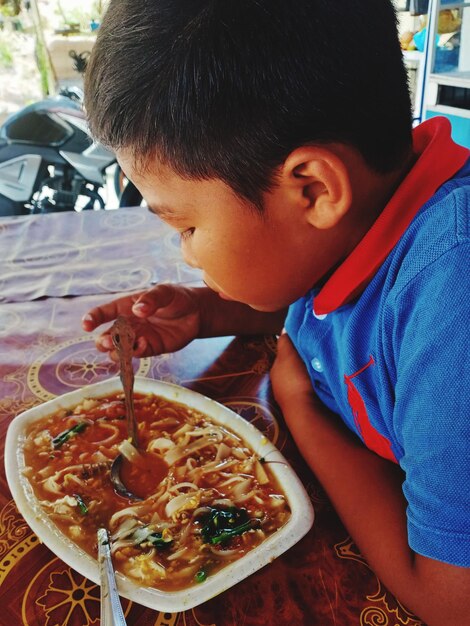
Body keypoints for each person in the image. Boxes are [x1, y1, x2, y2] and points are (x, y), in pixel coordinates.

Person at [82, 1, 470, 623]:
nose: (179, 252)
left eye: (183, 225)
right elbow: (336, 295)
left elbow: (453, 601)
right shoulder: (376, 202)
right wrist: (209, 312)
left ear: (314, 187)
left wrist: (302, 408)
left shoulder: (453, 303)